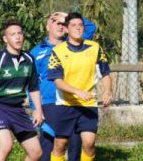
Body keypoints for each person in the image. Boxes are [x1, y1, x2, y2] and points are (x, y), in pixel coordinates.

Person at [30, 12, 98, 161]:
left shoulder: (75, 43)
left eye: (63, 23)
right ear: (47, 26)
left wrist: (67, 16)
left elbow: (91, 28)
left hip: (71, 102)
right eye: (55, 22)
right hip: (48, 104)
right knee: (49, 146)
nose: (60, 25)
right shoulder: (36, 52)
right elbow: (31, 83)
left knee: (74, 143)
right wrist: (35, 109)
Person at [47, 12, 112, 161]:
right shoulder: (57, 51)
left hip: (88, 104)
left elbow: (105, 73)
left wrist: (108, 91)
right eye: (73, 25)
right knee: (60, 144)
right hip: (66, 104)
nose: (77, 28)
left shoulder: (95, 48)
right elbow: (57, 81)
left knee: (89, 143)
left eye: (80, 25)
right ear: (67, 29)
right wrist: (77, 92)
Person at [0, 19, 44, 161]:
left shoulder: (29, 59)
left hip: (18, 110)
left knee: (36, 153)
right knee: (6, 146)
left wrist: (38, 110)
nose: (18, 37)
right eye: (13, 34)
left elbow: (34, 88)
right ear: (5, 39)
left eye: (20, 33)